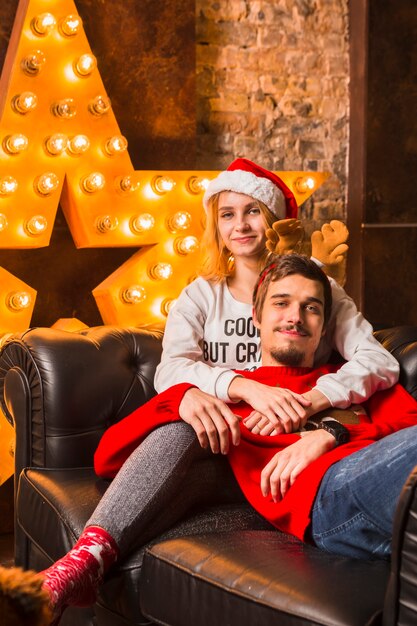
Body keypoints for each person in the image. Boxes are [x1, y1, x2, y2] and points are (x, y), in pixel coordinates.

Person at [1, 254, 416, 626]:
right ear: (256, 316)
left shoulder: (352, 382)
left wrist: (330, 431)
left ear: (325, 324)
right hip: (333, 498)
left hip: (382, 481)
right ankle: (82, 564)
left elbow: (408, 424)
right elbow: (109, 456)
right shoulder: (234, 394)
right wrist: (183, 397)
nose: (296, 316)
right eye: (282, 302)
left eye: (312, 307)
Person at [154, 158, 399, 441]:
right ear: (216, 227)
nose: (241, 225)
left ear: (273, 218)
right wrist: (245, 387)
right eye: (227, 214)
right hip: (226, 435)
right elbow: (170, 371)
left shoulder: (318, 290)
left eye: (253, 211)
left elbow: (377, 359)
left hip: (297, 431)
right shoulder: (200, 295)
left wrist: (311, 401)